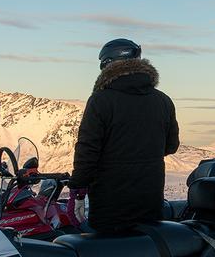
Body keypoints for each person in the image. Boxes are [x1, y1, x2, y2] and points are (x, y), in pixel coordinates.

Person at [69, 39, 180, 234]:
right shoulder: (163, 101)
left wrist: (78, 190)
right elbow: (171, 146)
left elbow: (87, 151)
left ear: (106, 65)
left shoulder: (101, 101)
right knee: (148, 253)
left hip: (110, 204)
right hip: (150, 199)